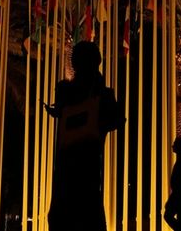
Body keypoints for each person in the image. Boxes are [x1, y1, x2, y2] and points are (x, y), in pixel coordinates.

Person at [45, 41, 123, 231]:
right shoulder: (102, 93)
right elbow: (117, 120)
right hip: (87, 165)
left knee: (66, 213)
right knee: (86, 212)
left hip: (70, 165)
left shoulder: (66, 90)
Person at [164, 137, 181, 231]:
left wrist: (175, 195)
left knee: (170, 216)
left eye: (175, 144)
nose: (172, 146)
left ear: (179, 146)